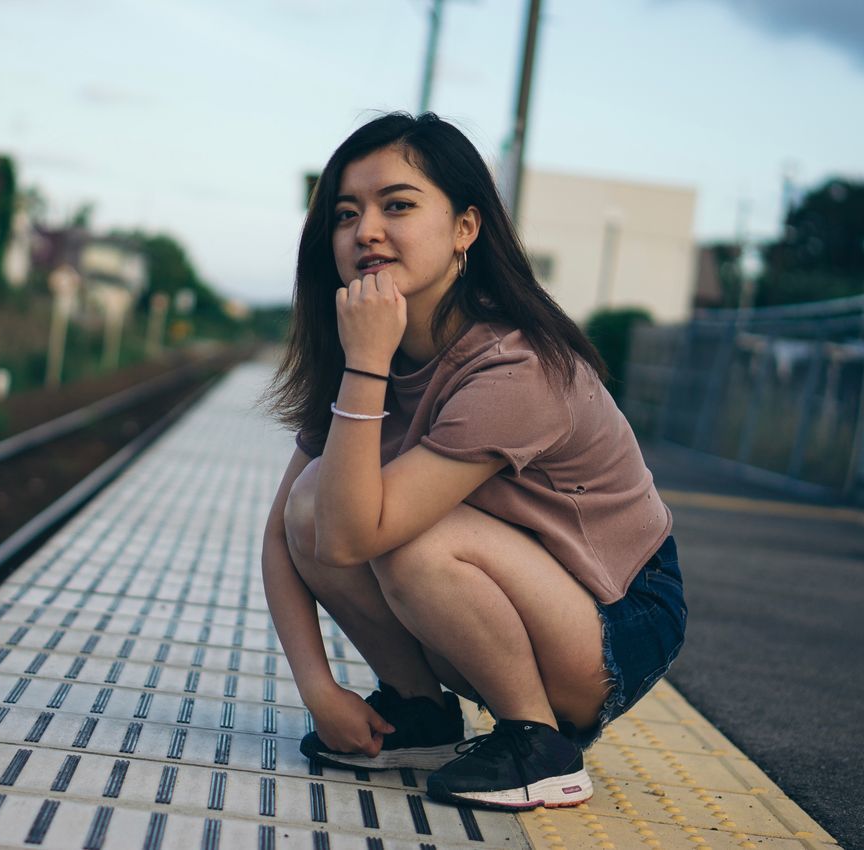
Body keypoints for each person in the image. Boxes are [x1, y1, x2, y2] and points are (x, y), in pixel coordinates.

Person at [261, 112, 686, 811]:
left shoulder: (515, 367)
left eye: (397, 205)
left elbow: (354, 539)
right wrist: (319, 687)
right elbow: (290, 532)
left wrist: (365, 362)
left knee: (404, 537)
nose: (366, 230)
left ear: (465, 228)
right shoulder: (370, 350)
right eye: (346, 213)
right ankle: (419, 713)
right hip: (516, 593)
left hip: (617, 618)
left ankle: (539, 745)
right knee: (315, 498)